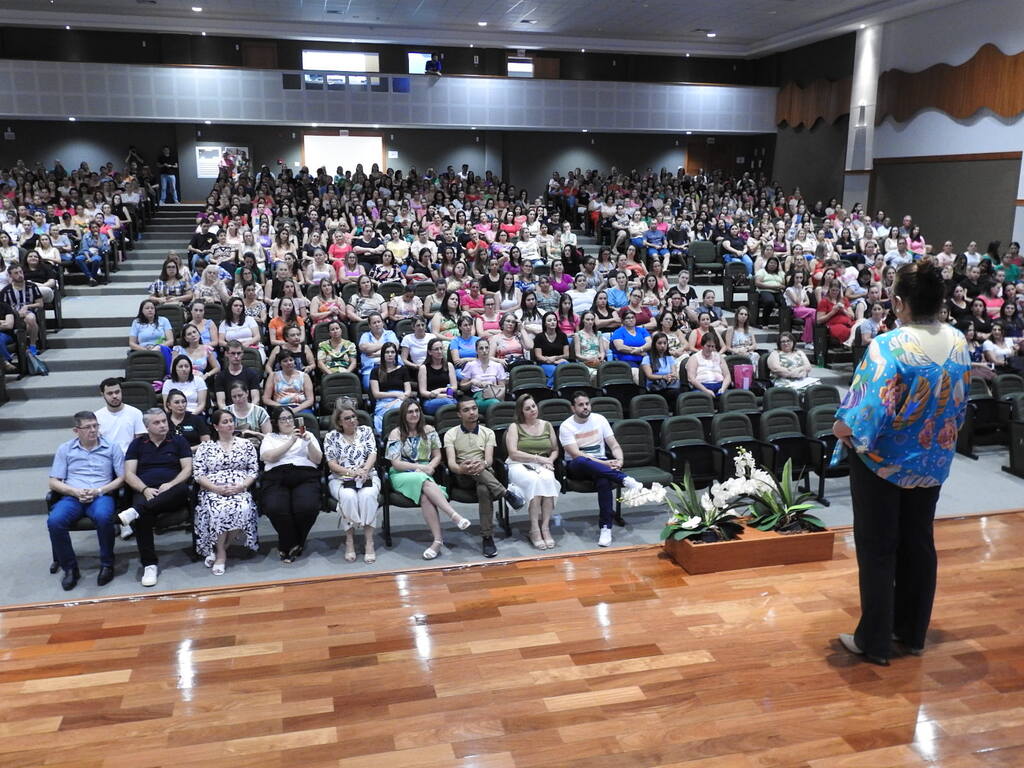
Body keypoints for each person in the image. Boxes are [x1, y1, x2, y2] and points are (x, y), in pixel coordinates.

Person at [833, 262, 971, 666]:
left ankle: (874, 641)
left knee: (878, 550)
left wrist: (840, 427)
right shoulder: (960, 340)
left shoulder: (888, 345)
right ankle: (912, 633)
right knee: (919, 543)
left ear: (898, 303)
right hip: (932, 460)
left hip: (883, 465)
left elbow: (865, 415)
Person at [47, 411, 125, 590]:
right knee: (55, 521)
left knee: (104, 518)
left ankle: (107, 564)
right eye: (87, 427)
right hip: (73, 496)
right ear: (76, 430)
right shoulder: (65, 449)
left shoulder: (111, 447)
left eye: (95, 426)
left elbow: (122, 478)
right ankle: (70, 569)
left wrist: (99, 490)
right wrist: (74, 491)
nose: (93, 430)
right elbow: (53, 481)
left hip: (101, 495)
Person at [385, 399, 471, 560]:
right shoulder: (395, 433)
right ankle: (454, 516)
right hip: (401, 474)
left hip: (424, 473)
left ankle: (437, 541)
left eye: (417, 411)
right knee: (422, 479)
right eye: (410, 412)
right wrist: (423, 468)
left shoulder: (429, 430)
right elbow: (395, 462)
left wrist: (430, 466)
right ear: (404, 414)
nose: (414, 414)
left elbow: (437, 455)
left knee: (426, 497)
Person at [118, 408, 193, 587]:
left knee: (182, 490)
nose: (162, 425)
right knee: (144, 516)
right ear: (146, 426)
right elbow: (129, 474)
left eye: (164, 421)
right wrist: (144, 489)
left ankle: (134, 511)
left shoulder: (178, 440)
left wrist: (171, 484)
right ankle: (149, 564)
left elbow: (187, 469)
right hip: (146, 491)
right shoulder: (137, 444)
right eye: (156, 423)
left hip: (173, 491)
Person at [444, 396, 526, 558]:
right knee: (478, 474)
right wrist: (462, 468)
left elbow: (488, 460)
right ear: (459, 414)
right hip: (463, 475)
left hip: (485, 471)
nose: (472, 412)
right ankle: (506, 494)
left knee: (483, 489)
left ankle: (487, 537)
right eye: (466, 410)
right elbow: (452, 464)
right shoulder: (450, 434)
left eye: (474, 408)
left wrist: (481, 465)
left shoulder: (487, 432)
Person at [559, 392, 643, 547]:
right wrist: (605, 465)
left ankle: (606, 527)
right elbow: (575, 454)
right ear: (573, 408)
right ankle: (623, 479)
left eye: (587, 403)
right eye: (580, 404)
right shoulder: (566, 426)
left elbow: (614, 445)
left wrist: (619, 460)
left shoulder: (600, 419)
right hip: (577, 466)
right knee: (582, 459)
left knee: (603, 480)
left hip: (601, 464)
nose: (585, 407)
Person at [193, 409, 260, 575]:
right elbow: (198, 473)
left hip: (239, 488)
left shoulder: (246, 444)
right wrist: (216, 489)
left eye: (231, 420)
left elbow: (253, 470)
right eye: (225, 422)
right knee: (219, 509)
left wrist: (241, 486)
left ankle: (221, 548)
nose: (230, 424)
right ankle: (221, 555)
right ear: (216, 426)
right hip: (213, 489)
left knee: (243, 508)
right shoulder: (206, 447)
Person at [260, 406, 323, 563]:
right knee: (275, 507)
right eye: (283, 419)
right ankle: (294, 543)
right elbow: (268, 457)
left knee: (307, 507)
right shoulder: (270, 438)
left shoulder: (308, 435)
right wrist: (291, 441)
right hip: (276, 476)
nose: (288, 422)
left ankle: (288, 544)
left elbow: (317, 459)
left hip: (305, 475)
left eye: (290, 418)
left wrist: (308, 442)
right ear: (276, 422)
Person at [325, 399, 380, 563]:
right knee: (348, 497)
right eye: (347, 418)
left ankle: (369, 541)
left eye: (354, 417)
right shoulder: (331, 437)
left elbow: (373, 453)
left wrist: (363, 470)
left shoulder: (366, 431)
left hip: (367, 475)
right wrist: (351, 472)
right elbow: (331, 463)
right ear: (339, 422)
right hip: (340, 479)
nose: (352, 421)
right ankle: (349, 540)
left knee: (368, 495)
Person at [506, 394, 561, 549]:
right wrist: (539, 459)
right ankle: (534, 529)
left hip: (543, 464)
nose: (532, 410)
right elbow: (513, 453)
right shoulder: (514, 427)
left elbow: (555, 450)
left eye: (533, 406)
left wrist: (549, 460)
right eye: (527, 408)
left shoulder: (547, 425)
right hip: (518, 464)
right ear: (521, 411)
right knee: (533, 481)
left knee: (548, 479)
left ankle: (545, 527)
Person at [95, 377, 146, 456]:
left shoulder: (136, 413)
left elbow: (139, 441)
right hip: (106, 457)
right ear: (102, 395)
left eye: (117, 392)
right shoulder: (96, 416)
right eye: (110, 393)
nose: (114, 396)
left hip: (130, 457)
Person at [1, 263, 43, 354]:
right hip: (13, 317)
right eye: (16, 273)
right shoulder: (5, 291)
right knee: (22, 325)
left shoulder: (32, 286)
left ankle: (32, 346)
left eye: (21, 272)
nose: (20, 275)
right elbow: (4, 309)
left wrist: (27, 306)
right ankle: (22, 347)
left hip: (29, 312)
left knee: (30, 318)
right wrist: (16, 313)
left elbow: (40, 304)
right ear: (10, 275)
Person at [370, 341, 412, 432]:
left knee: (401, 408)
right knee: (383, 416)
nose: (390, 355)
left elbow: (408, 391)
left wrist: (397, 399)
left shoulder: (403, 369)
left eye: (392, 352)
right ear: (383, 355)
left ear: (396, 354)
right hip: (383, 401)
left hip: (401, 399)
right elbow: (376, 394)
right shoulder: (375, 371)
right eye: (387, 352)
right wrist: (395, 394)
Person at [460, 337, 507, 411]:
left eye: (486, 348)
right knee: (495, 403)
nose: (484, 351)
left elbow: (502, 387)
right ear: (476, 350)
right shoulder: (470, 365)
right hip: (478, 395)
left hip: (494, 394)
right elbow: (462, 386)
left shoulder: (497, 365)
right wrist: (472, 382)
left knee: (496, 402)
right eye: (481, 348)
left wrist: (491, 384)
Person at [214, 340, 262, 408]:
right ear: (226, 354)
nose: (236, 356)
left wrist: (249, 412)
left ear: (243, 354)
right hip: (229, 413)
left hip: (248, 410)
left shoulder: (252, 374)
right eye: (233, 353)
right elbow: (221, 402)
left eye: (239, 353)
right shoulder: (220, 377)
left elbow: (256, 399)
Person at [418, 337, 458, 415]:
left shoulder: (449, 365)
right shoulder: (424, 368)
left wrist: (440, 390)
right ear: (430, 352)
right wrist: (441, 396)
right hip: (430, 400)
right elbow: (423, 392)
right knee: (451, 403)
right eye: (436, 349)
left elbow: (454, 387)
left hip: (448, 397)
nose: (440, 352)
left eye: (441, 348)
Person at [685, 329, 730, 396]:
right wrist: (705, 390)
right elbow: (691, 378)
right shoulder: (694, 358)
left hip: (719, 386)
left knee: (729, 395)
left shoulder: (719, 357)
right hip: (702, 387)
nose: (710, 349)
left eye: (713, 346)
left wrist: (723, 388)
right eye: (708, 346)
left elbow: (727, 376)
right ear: (702, 345)